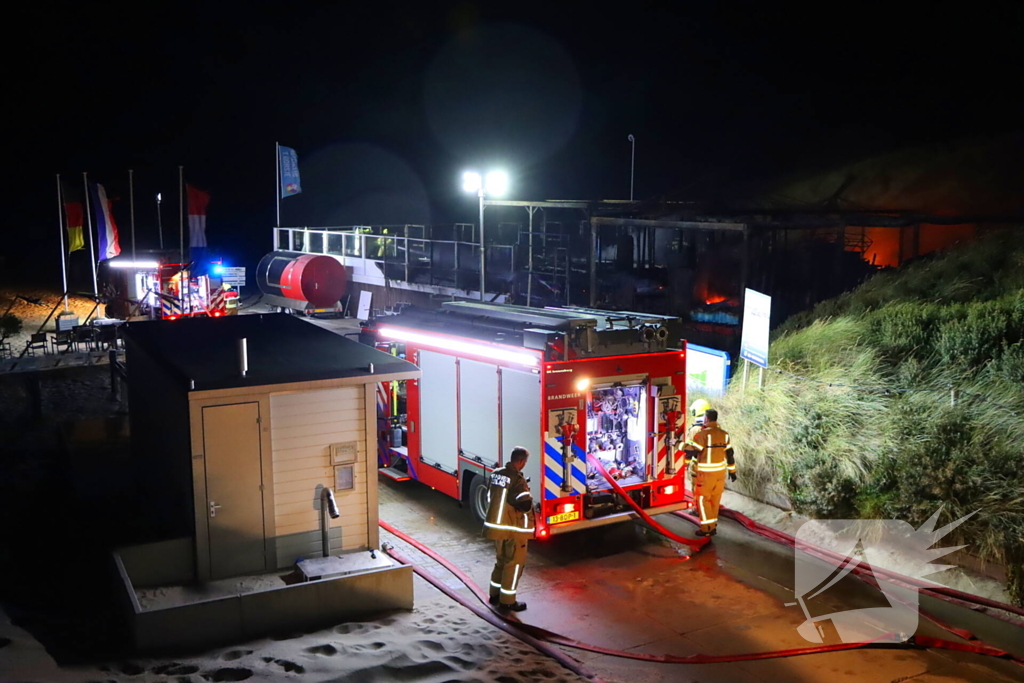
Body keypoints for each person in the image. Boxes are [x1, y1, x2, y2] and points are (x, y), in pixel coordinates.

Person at [483, 447, 534, 612]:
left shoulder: (496, 474)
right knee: (514, 564)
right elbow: (524, 504)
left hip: (497, 528)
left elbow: (491, 496)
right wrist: (527, 492)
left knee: (501, 561)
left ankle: (494, 595)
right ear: (521, 461)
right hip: (513, 528)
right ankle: (508, 601)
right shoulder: (517, 479)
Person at [685, 409, 737, 537]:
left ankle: (706, 528)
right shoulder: (724, 434)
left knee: (703, 501)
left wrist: (677, 445)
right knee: (715, 500)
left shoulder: (702, 434)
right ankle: (712, 526)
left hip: (706, 475)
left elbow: (692, 451)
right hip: (720, 474)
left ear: (706, 419)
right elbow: (730, 454)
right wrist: (732, 471)